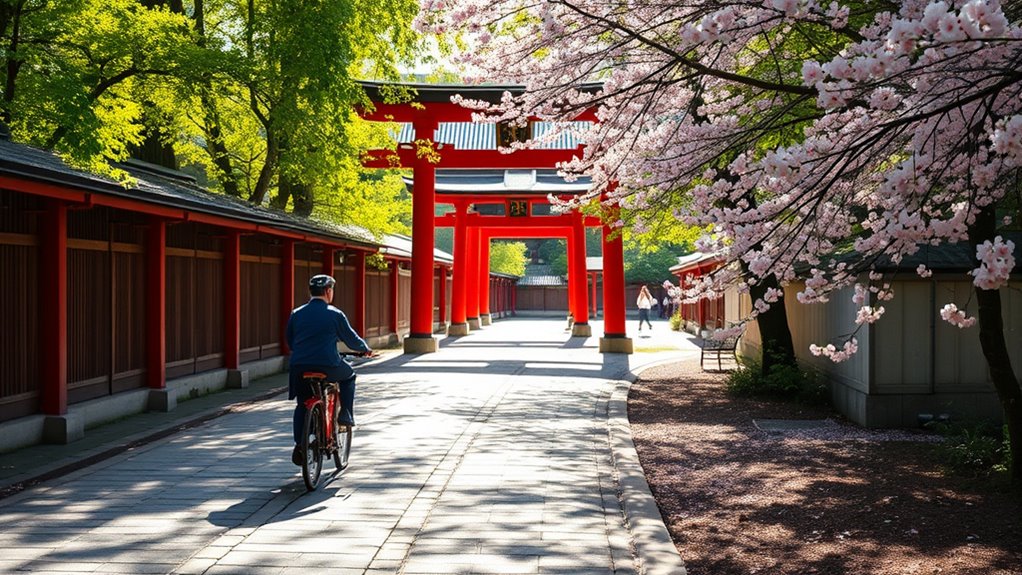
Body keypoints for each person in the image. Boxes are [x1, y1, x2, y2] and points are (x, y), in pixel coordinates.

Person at [286, 274, 371, 466]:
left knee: (302, 404)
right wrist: (364, 349)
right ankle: (345, 415)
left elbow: (290, 341)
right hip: (328, 365)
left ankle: (300, 445)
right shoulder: (335, 314)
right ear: (328, 291)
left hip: (300, 366)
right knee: (349, 376)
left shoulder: (296, 313)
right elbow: (351, 339)